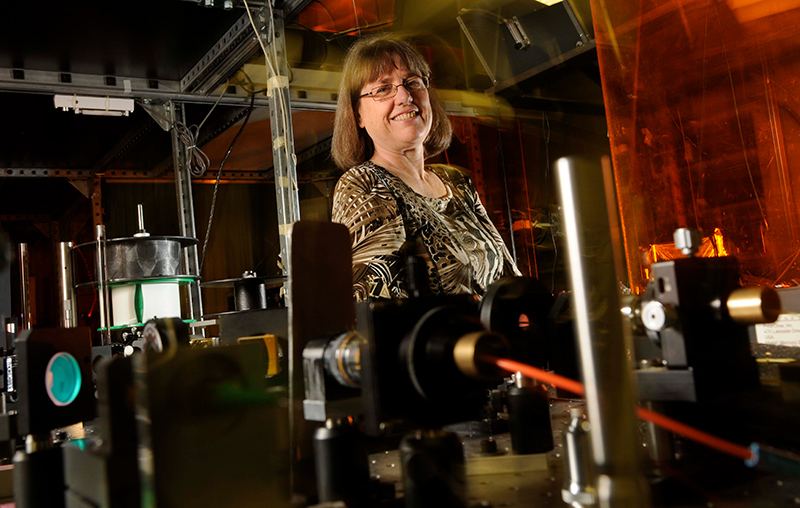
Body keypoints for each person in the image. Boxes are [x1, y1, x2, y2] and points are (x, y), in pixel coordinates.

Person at [331, 34, 519, 301]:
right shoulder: (363, 183)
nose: (405, 96)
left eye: (412, 82)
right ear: (358, 114)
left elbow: (508, 275)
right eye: (383, 89)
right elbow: (380, 308)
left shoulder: (456, 183)